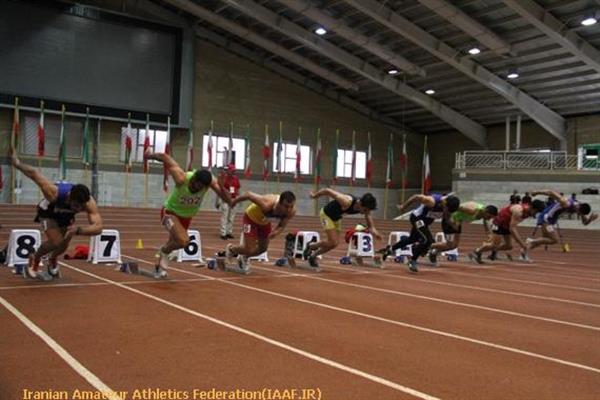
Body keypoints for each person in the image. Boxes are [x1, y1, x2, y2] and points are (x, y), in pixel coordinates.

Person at [10, 146, 103, 280]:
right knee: (56, 241)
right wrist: (17, 163)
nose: (78, 209)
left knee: (65, 240)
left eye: (80, 207)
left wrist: (78, 230)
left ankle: (52, 258)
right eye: (76, 206)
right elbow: (34, 174)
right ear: (70, 197)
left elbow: (98, 227)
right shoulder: (54, 192)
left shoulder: (89, 203)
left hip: (65, 216)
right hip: (48, 212)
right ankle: (35, 258)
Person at [146, 149, 231, 277]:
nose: (196, 188)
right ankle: (163, 251)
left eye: (200, 187)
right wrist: (149, 155)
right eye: (195, 185)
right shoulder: (181, 177)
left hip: (186, 218)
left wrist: (221, 186)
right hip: (170, 212)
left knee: (173, 243)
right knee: (183, 241)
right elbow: (165, 157)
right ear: (193, 179)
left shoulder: (210, 183)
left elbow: (228, 200)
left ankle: (160, 267)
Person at [380, 193, 460, 272]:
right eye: (446, 209)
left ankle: (390, 249)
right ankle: (412, 260)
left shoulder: (448, 208)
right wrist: (403, 207)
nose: (446, 211)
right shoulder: (432, 201)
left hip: (425, 223)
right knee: (426, 240)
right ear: (445, 203)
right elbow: (416, 197)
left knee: (412, 239)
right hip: (417, 218)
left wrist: (454, 225)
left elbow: (447, 218)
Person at [305, 189, 382, 268]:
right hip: (326, 215)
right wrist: (314, 196)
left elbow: (371, 226)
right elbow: (327, 191)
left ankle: (313, 256)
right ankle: (311, 245)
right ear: (360, 203)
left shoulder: (365, 209)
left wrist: (375, 232)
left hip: (337, 218)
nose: (366, 212)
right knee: (332, 241)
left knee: (334, 244)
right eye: (365, 210)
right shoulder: (346, 201)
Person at [223, 191, 296, 269]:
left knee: (262, 249)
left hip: (264, 222)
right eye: (286, 206)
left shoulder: (291, 212)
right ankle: (231, 249)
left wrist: (275, 232)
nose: (289, 209)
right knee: (249, 248)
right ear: (280, 203)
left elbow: (281, 225)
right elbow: (248, 194)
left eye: (291, 206)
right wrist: (234, 201)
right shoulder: (267, 204)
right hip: (250, 218)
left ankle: (245, 257)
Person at [469, 200, 545, 264]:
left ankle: (493, 251)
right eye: (536, 212)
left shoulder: (528, 212)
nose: (535, 214)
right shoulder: (519, 211)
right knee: (494, 244)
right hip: (498, 223)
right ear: (532, 207)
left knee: (509, 246)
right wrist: (522, 244)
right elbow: (512, 229)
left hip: (506, 225)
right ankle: (477, 251)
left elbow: (512, 227)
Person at [429, 202, 498, 265]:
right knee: (449, 245)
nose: (489, 219)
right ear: (486, 212)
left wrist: (489, 234)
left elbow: (486, 223)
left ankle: (433, 250)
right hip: (450, 221)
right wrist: (451, 221)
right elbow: (456, 207)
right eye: (489, 217)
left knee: (454, 245)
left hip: (457, 222)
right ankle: (427, 246)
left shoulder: (482, 213)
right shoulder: (473, 210)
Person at [527, 190, 597, 251]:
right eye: (578, 212)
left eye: (580, 213)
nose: (578, 214)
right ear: (579, 207)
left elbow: (584, 222)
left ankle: (524, 251)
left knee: (543, 240)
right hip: (546, 218)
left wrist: (590, 219)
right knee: (554, 240)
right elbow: (551, 192)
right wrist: (537, 192)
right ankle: (531, 241)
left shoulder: (580, 207)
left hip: (551, 220)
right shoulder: (567, 203)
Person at [218, 163, 240, 240]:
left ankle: (229, 232)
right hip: (225, 200)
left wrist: (238, 199)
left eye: (234, 170)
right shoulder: (224, 178)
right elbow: (220, 189)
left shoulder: (236, 179)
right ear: (229, 171)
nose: (234, 172)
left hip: (234, 199)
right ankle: (223, 233)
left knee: (231, 217)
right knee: (225, 216)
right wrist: (218, 200)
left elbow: (237, 189)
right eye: (232, 170)